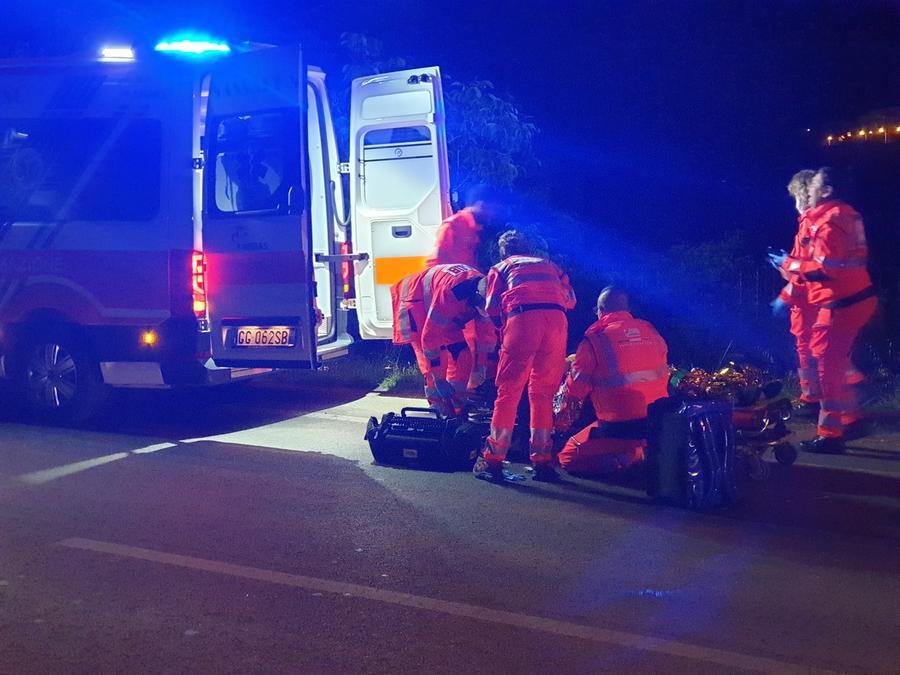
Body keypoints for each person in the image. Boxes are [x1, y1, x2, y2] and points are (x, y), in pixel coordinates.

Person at [772, 167, 877, 453]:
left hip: (840, 302)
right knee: (829, 360)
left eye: (814, 186)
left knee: (828, 366)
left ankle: (831, 435)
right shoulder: (842, 215)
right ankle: (851, 418)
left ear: (826, 191)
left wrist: (789, 265)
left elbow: (824, 269)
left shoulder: (828, 222)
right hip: (850, 299)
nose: (808, 193)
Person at [473, 230, 576, 482]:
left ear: (505, 251)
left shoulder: (502, 267)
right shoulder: (552, 266)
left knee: (508, 392)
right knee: (542, 394)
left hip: (523, 321)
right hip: (557, 322)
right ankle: (541, 461)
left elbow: (491, 307)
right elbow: (571, 301)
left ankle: (493, 459)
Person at [554, 287, 669, 474]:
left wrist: (560, 423)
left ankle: (625, 458)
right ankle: (639, 450)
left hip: (618, 425)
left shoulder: (595, 339)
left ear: (601, 310)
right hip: (656, 420)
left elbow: (575, 390)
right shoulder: (650, 331)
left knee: (567, 457)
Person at [391, 263, 495, 415]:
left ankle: (455, 403)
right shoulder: (452, 292)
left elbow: (486, 338)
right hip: (416, 302)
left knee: (462, 354)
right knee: (431, 358)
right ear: (476, 297)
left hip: (440, 308)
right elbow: (429, 338)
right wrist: (439, 379)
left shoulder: (485, 292)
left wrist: (482, 368)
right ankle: (437, 406)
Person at [425, 187, 497, 270]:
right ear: (482, 205)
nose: (492, 213)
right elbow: (435, 261)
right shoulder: (453, 225)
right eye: (492, 207)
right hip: (452, 279)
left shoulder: (476, 227)